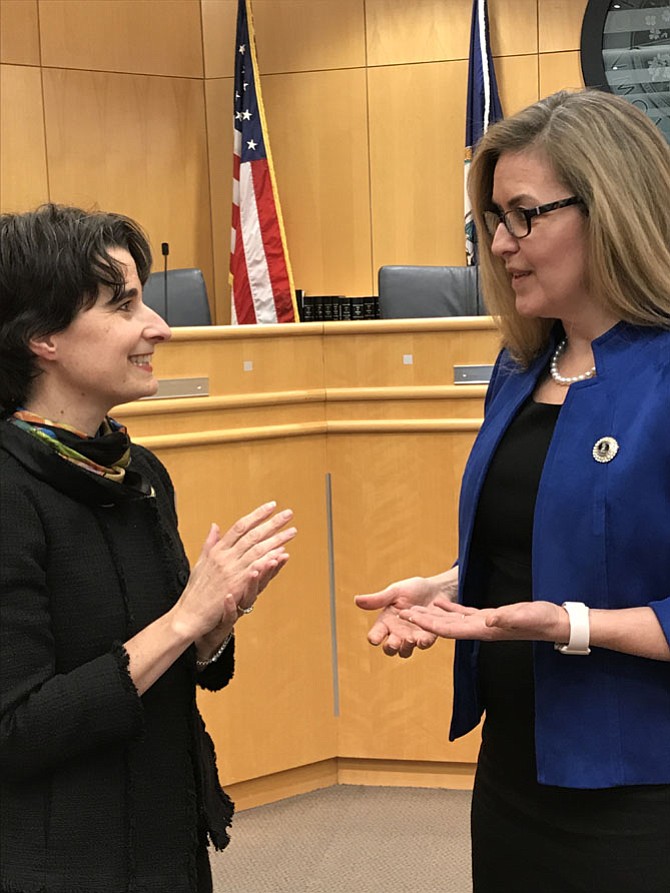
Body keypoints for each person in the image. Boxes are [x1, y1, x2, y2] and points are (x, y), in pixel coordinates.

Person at [356, 89, 670, 893]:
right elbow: (556, 530)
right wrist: (451, 587)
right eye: (493, 219)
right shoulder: (522, 368)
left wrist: (573, 624)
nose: (500, 244)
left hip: (639, 787)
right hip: (515, 766)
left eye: (525, 215)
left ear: (612, 210)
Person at [0, 204, 297, 893]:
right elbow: (15, 730)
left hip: (166, 840)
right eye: (123, 304)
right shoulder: (10, 492)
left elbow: (182, 669)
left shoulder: (140, 473)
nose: (157, 326)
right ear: (42, 335)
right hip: (63, 864)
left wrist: (212, 629)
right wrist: (181, 621)